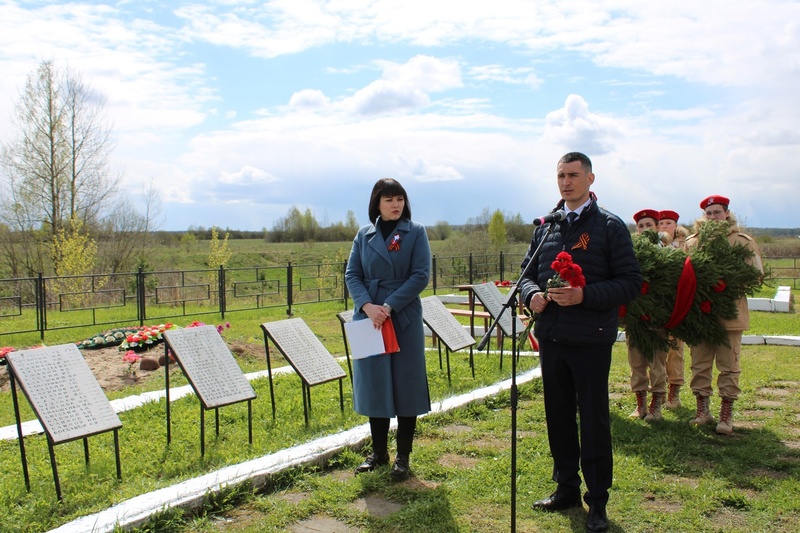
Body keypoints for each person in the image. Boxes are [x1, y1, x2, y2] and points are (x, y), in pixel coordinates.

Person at [519, 152, 642, 533]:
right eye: (560, 175)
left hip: (590, 339)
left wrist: (584, 296)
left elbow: (629, 283)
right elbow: (524, 275)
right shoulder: (546, 226)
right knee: (557, 416)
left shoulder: (609, 226)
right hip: (552, 337)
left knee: (592, 420)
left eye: (573, 175)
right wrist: (532, 295)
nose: (566, 182)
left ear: (590, 179)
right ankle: (566, 488)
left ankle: (598, 502)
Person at [345, 178, 432, 481]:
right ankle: (379, 453)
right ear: (377, 204)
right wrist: (368, 306)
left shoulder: (415, 232)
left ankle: (403, 457)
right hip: (369, 319)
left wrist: (390, 306)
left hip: (402, 317)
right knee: (374, 384)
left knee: (406, 385)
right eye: (389, 200)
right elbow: (352, 274)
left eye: (400, 199)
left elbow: (421, 275)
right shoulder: (363, 235)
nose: (396, 205)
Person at [684, 195, 763, 435]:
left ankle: (726, 414)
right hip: (701, 313)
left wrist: (726, 282)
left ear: (727, 213)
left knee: (729, 365)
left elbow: (756, 275)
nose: (713, 217)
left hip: (730, 312)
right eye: (709, 213)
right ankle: (702, 411)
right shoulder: (693, 242)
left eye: (717, 212)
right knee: (699, 363)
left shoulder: (742, 242)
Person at [627, 209, 668, 422]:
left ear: (658, 227)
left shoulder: (666, 251)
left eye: (649, 225)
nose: (644, 230)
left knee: (657, 362)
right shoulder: (629, 251)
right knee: (636, 361)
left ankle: (656, 405)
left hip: (657, 316)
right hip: (635, 317)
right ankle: (640, 403)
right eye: (640, 226)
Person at [658, 209, 690, 409]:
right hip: (657, 305)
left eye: (668, 223)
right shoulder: (654, 246)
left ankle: (674, 393)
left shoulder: (685, 246)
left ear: (676, 226)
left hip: (677, 303)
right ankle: (658, 391)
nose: (664, 227)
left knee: (675, 350)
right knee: (656, 351)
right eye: (660, 223)